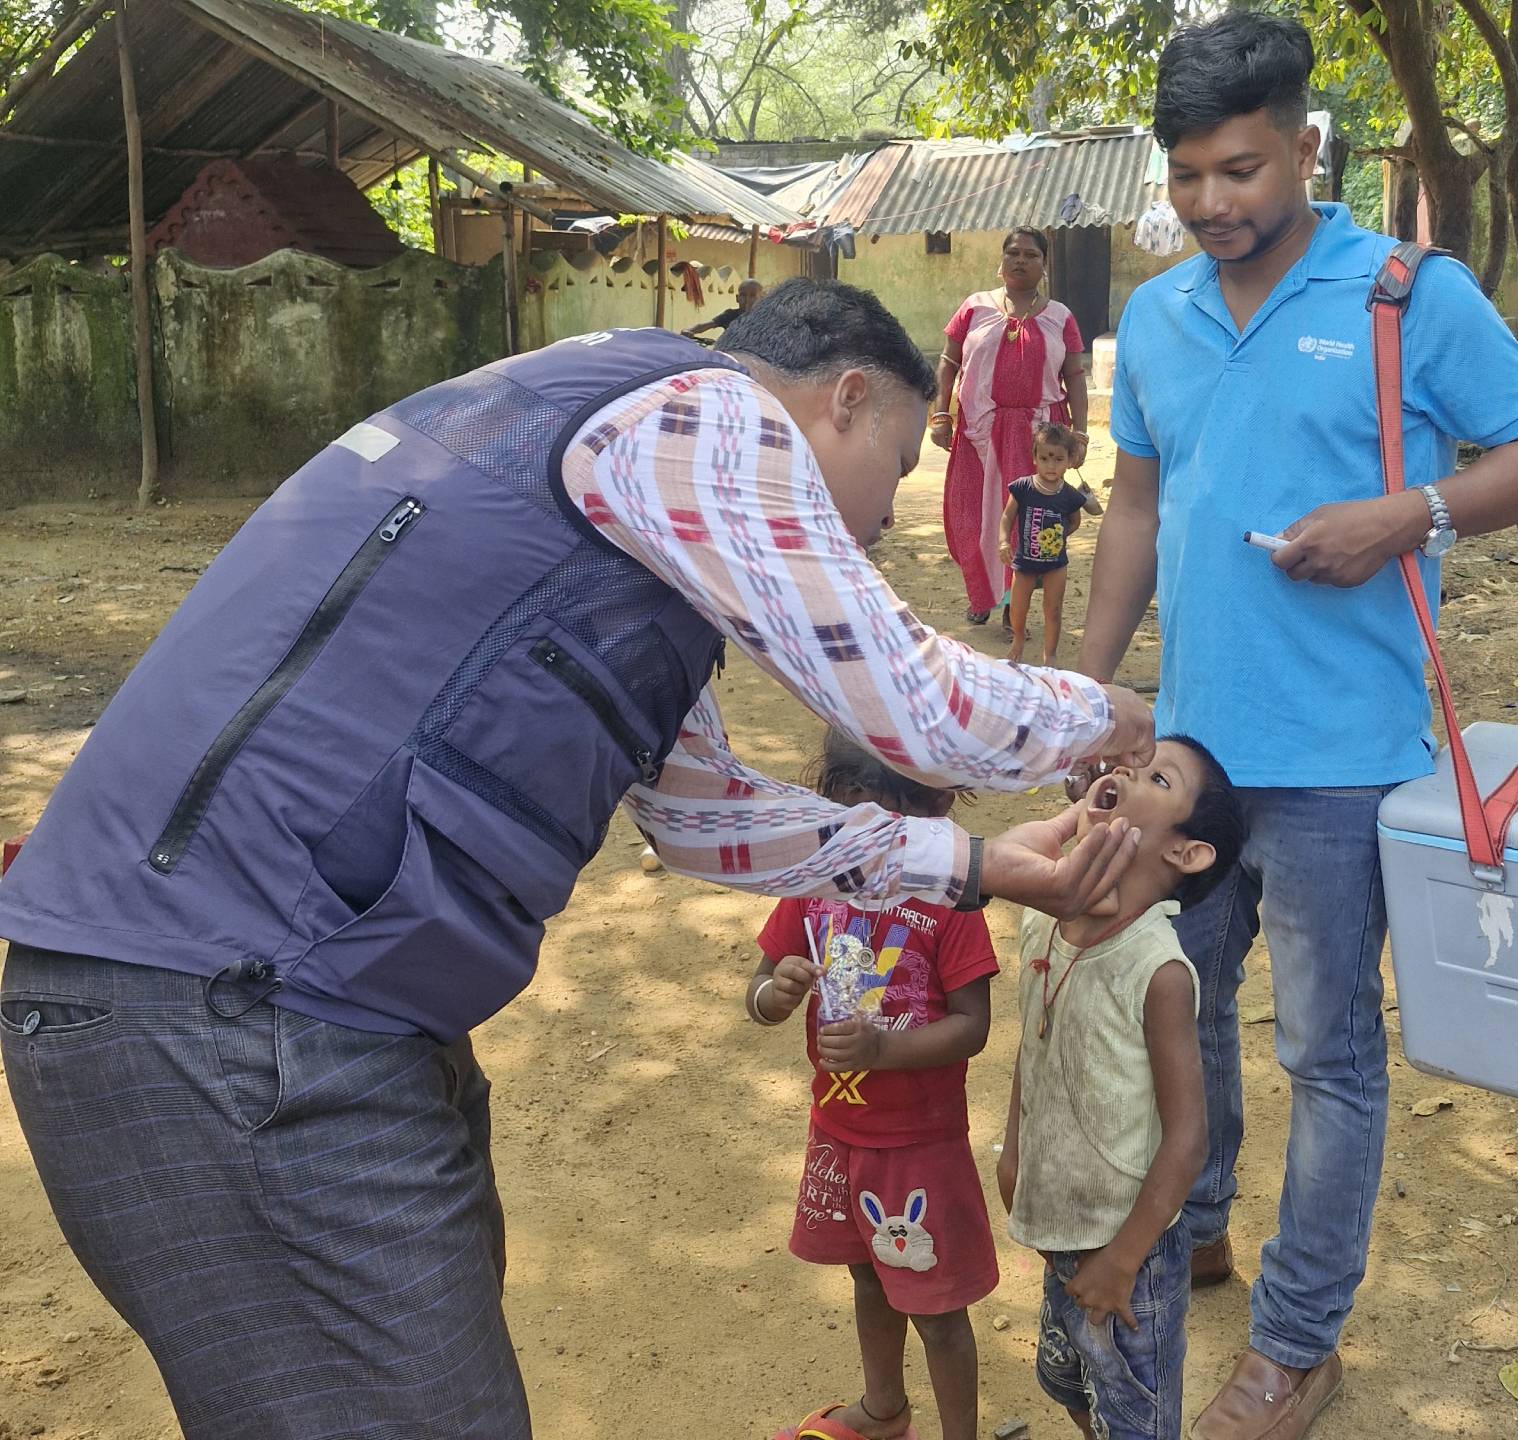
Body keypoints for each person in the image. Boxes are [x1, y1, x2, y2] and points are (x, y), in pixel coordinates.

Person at [0, 279, 1160, 1439]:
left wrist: (973, 865)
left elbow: (701, 814)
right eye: (900, 465)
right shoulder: (705, 413)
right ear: (845, 399)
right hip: (229, 1011)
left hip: (287, 1002)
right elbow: (914, 708)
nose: (879, 524)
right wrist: (1116, 714)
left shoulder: (608, 439)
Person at [1077, 16, 1518, 1440]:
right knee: (1176, 1008)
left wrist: (1406, 515)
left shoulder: (1405, 295)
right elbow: (1134, 505)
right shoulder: (1164, 318)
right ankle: (1200, 1217)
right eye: (1185, 177)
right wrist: (1095, 688)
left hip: (1344, 763)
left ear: (1307, 144)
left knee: (1327, 1053)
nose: (1212, 204)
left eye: (1239, 169)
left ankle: (1298, 1341)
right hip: (1189, 763)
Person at [753, 730, 999, 1440]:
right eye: (853, 820)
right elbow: (761, 984)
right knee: (866, 1274)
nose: (869, 842)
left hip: (918, 1144)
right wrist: (775, 993)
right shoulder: (815, 882)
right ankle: (885, 1409)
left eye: (893, 824)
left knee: (937, 1308)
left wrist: (883, 1051)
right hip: (838, 1131)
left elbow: (972, 1024)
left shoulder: (949, 896)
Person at [1000, 738, 1244, 1440]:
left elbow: (1188, 1136)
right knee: (1071, 1382)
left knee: (1134, 1415)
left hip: (1127, 1250)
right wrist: (1015, 1153)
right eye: (1128, 763)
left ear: (1187, 852)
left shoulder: (1157, 973)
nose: (1127, 771)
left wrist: (1124, 1259)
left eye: (1157, 776)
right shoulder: (1041, 915)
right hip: (1060, 1228)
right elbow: (1034, 1039)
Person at [931, 228, 1092, 626]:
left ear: (1043, 264)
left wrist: (1080, 434)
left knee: (1031, 520)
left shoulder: (1060, 318)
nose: (1021, 260)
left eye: (1031, 255)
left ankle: (1010, 604)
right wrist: (940, 414)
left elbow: (1074, 376)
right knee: (973, 514)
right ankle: (981, 594)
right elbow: (948, 362)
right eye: (1014, 253)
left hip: (1040, 437)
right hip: (979, 433)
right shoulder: (975, 307)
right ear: (1001, 262)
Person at [1001, 421, 1090, 666]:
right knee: (1018, 608)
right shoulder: (1022, 488)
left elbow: (1074, 522)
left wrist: (1055, 540)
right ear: (1035, 458)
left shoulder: (1071, 495)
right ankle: (1018, 638)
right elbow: (1008, 516)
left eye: (1058, 459)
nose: (1051, 466)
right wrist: (1002, 541)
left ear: (1070, 460)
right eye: (1045, 458)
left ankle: (1049, 654)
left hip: (1056, 565)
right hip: (1024, 561)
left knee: (1053, 610)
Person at [682, 276, 763, 338]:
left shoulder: (766, 319)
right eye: (743, 295)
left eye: (752, 296)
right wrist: (689, 330)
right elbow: (705, 325)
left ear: (761, 299)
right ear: (737, 298)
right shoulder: (730, 315)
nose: (747, 300)